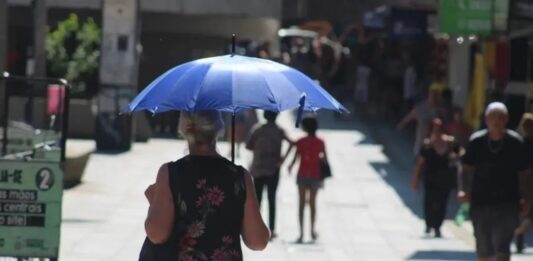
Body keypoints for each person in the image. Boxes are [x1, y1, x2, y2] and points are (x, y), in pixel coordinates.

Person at [142, 111, 269, 260]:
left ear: (183, 128)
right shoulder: (240, 176)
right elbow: (258, 242)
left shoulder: (171, 173)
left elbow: (157, 234)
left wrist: (154, 202)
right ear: (218, 129)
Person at [458, 102, 532, 261]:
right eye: (493, 117)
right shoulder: (476, 142)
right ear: (487, 119)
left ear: (506, 120)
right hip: (480, 201)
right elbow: (465, 168)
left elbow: (525, 173)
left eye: (501, 117)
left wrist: (527, 198)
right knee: (484, 246)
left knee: (502, 244)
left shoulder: (515, 143)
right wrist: (463, 189)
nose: (496, 121)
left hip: (508, 201)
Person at [246, 111, 293, 240]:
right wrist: (282, 159)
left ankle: (256, 228)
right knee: (272, 199)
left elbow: (248, 146)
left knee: (257, 200)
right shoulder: (279, 130)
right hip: (273, 168)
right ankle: (271, 229)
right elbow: (292, 143)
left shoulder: (257, 129)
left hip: (258, 168)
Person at [412, 118, 460, 238]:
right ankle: (429, 224)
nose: (437, 132)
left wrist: (455, 155)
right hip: (430, 179)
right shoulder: (427, 146)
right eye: (434, 130)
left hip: (445, 180)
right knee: (429, 202)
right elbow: (419, 163)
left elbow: (461, 153)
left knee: (442, 203)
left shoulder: (450, 144)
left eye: (439, 130)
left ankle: (438, 226)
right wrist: (415, 180)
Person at [288, 117, 327, 243]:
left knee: (301, 204)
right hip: (315, 175)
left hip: (302, 175)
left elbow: (295, 158)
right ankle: (312, 231)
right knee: (312, 204)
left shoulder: (301, 141)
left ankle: (301, 233)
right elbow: (325, 160)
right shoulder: (320, 142)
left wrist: (289, 166)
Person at [397, 90, 441, 156]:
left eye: (435, 97)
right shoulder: (422, 108)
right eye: (432, 96)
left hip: (434, 142)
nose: (433, 98)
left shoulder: (439, 110)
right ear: (428, 97)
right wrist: (401, 124)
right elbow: (410, 116)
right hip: (421, 138)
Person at [514, 112, 533, 253]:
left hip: (523, 180)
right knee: (529, 213)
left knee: (523, 212)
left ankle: (519, 237)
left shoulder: (520, 143)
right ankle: (518, 233)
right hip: (528, 180)